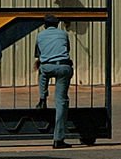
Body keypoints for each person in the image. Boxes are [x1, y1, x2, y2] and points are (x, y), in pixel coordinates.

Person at [34, 14, 73, 149]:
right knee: (61, 101)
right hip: (63, 66)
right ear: (57, 24)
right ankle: (58, 139)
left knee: (42, 72)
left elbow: (38, 55)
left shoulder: (40, 36)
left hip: (47, 66)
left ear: (45, 25)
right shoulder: (63, 34)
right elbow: (67, 50)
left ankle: (42, 97)